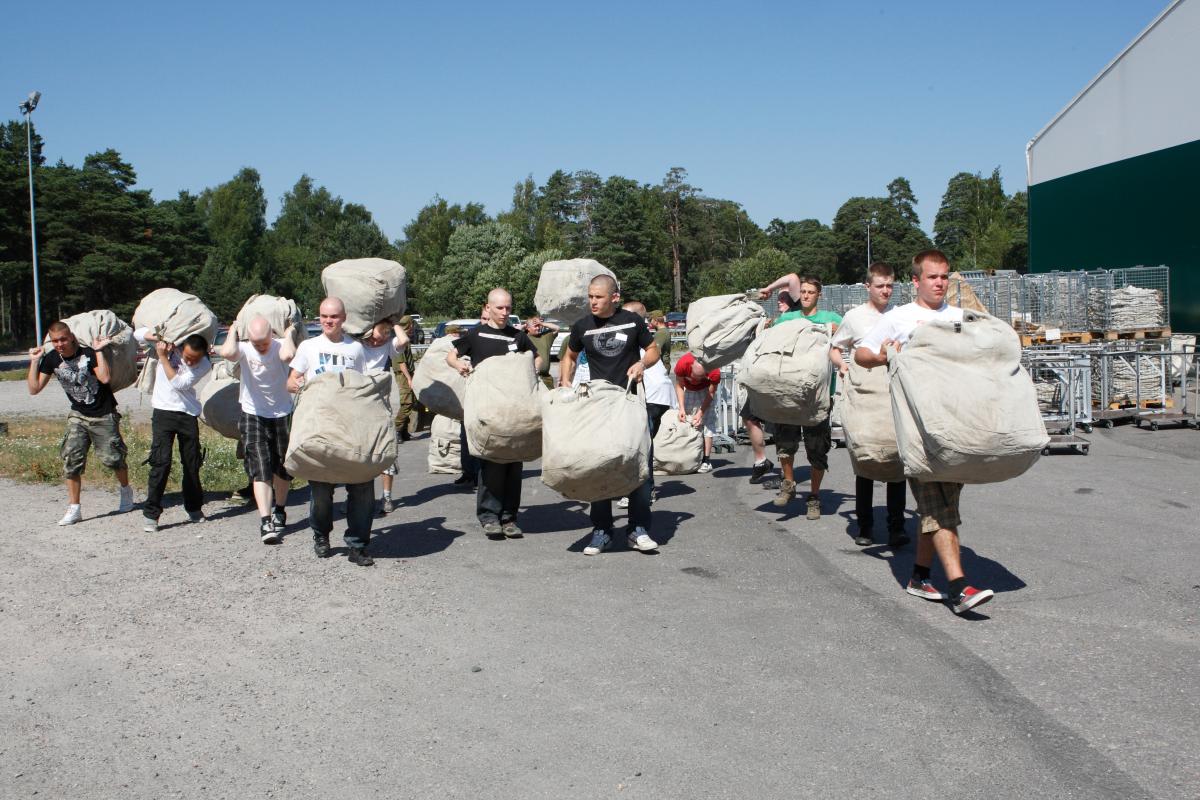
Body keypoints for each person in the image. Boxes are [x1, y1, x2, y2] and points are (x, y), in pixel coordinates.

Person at [855, 249, 994, 615]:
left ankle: (918, 575)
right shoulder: (900, 318)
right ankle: (959, 586)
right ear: (915, 281)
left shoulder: (960, 317)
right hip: (917, 428)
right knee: (936, 505)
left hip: (955, 424)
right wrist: (887, 355)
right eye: (932, 277)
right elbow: (861, 354)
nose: (940, 283)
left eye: (945, 277)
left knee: (945, 502)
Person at [559, 275, 661, 555]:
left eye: (598, 297)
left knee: (639, 466)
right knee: (597, 467)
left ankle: (638, 530)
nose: (592, 302)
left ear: (614, 297)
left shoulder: (632, 321)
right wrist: (565, 381)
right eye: (590, 296)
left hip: (630, 403)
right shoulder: (581, 326)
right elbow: (568, 356)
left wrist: (641, 363)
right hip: (597, 407)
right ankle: (602, 531)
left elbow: (653, 350)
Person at [287, 297, 375, 567]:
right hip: (320, 427)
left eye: (334, 316)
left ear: (344, 318)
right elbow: (290, 381)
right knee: (321, 491)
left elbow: (363, 386)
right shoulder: (309, 347)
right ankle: (321, 535)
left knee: (361, 487)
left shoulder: (356, 349)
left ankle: (358, 544)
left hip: (352, 427)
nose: (328, 321)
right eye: (324, 316)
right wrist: (296, 382)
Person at [446, 288, 538, 539]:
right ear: (488, 308)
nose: (504, 312)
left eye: (508, 308)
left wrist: (531, 369)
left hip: (515, 411)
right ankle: (489, 516)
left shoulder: (518, 336)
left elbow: (536, 360)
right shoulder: (476, 335)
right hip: (488, 410)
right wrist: (460, 365)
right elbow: (451, 356)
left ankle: (509, 518)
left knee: (513, 466)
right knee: (491, 465)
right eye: (499, 308)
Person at [830, 263, 909, 549]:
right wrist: (843, 367)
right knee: (865, 459)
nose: (886, 291)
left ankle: (897, 526)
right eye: (880, 286)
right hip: (865, 395)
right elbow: (835, 347)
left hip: (893, 393)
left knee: (897, 461)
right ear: (868, 286)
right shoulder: (854, 317)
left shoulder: (901, 316)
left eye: (889, 286)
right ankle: (865, 525)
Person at [27, 321, 134, 525]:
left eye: (63, 339)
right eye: (55, 341)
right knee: (71, 459)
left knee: (113, 459)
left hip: (104, 414)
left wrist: (99, 350)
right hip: (78, 415)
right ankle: (74, 508)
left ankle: (126, 491)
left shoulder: (88, 353)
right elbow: (34, 389)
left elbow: (104, 378)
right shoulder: (51, 359)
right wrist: (34, 361)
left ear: (72, 337)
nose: (59, 344)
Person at [763, 277, 841, 519]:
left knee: (817, 448)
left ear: (819, 295)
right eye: (803, 292)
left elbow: (848, 336)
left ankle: (814, 497)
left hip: (818, 394)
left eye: (811, 292)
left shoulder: (831, 319)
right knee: (785, 443)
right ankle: (788, 484)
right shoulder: (788, 318)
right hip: (790, 393)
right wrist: (766, 326)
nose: (806, 295)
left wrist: (838, 333)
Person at [218, 316, 297, 545]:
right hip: (252, 413)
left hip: (282, 412)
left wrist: (290, 332)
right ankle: (266, 521)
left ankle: (280, 509)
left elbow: (288, 356)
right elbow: (227, 353)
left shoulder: (281, 345)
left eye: (264, 343)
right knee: (260, 465)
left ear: (272, 334)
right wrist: (233, 329)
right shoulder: (243, 348)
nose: (261, 348)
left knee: (283, 465)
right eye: (256, 343)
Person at [132, 327, 212, 532]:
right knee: (160, 462)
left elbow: (179, 383)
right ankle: (152, 514)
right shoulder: (171, 347)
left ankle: (194, 508)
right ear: (181, 346)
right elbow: (137, 334)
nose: (190, 361)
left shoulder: (204, 365)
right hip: (163, 412)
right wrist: (159, 338)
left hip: (187, 414)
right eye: (187, 357)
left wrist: (162, 357)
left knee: (192, 463)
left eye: (195, 358)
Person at [619, 301, 672, 508]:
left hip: (650, 396)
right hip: (660, 396)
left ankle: (641, 490)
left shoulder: (635, 334)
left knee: (639, 444)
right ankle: (641, 488)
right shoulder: (642, 334)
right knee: (644, 443)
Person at [361, 318, 411, 516]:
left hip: (381, 408)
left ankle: (387, 496)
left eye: (381, 339)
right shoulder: (357, 346)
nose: (376, 343)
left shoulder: (388, 346)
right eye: (373, 339)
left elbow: (404, 340)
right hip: (358, 407)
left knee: (386, 452)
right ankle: (356, 498)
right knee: (358, 455)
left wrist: (393, 322)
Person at [673, 351, 719, 473]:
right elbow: (679, 386)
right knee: (686, 421)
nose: (696, 380)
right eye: (694, 377)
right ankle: (688, 456)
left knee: (707, 422)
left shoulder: (714, 371)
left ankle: (706, 460)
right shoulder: (682, 364)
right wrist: (681, 408)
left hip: (706, 391)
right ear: (691, 368)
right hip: (688, 390)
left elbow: (711, 393)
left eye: (700, 378)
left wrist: (701, 412)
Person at [392, 315, 418, 442]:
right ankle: (396, 429)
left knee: (412, 401)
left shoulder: (405, 339)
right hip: (403, 375)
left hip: (408, 373)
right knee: (407, 402)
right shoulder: (399, 340)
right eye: (411, 324)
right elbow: (401, 363)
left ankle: (404, 431)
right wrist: (409, 378)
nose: (413, 327)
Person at [524, 315, 561, 390]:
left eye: (539, 326)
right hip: (530, 377)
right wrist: (524, 325)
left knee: (550, 400)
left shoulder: (546, 336)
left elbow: (557, 328)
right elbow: (513, 332)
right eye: (535, 326)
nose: (538, 328)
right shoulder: (524, 338)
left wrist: (542, 323)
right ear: (528, 328)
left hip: (546, 377)